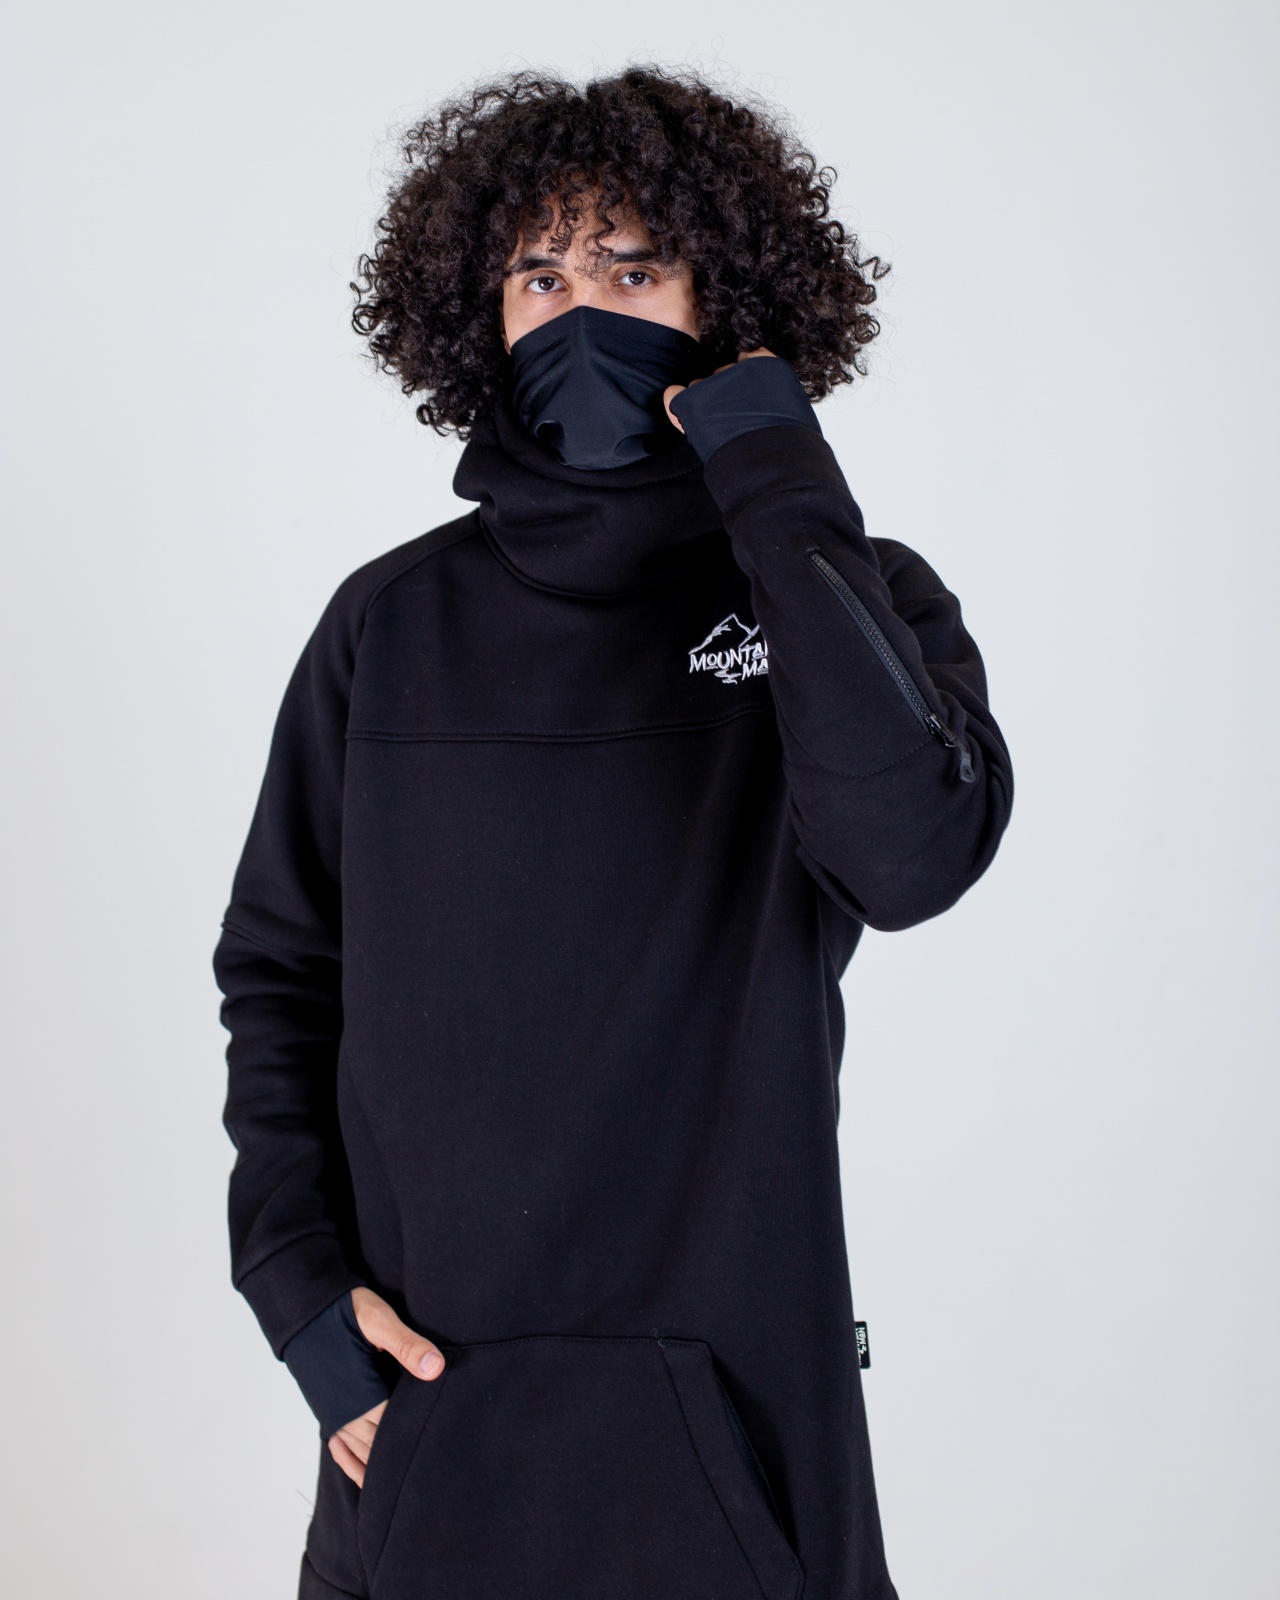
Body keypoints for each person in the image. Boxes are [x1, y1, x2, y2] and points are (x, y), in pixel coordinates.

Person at [214, 66, 1013, 1600]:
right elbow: (282, 975)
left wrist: (776, 479)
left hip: (744, 1447)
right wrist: (300, 1293)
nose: (583, 316)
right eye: (542, 277)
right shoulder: (390, 627)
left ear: (729, 306)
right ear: (482, 316)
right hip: (428, 1429)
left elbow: (911, 857)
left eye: (635, 273)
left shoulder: (848, 597)